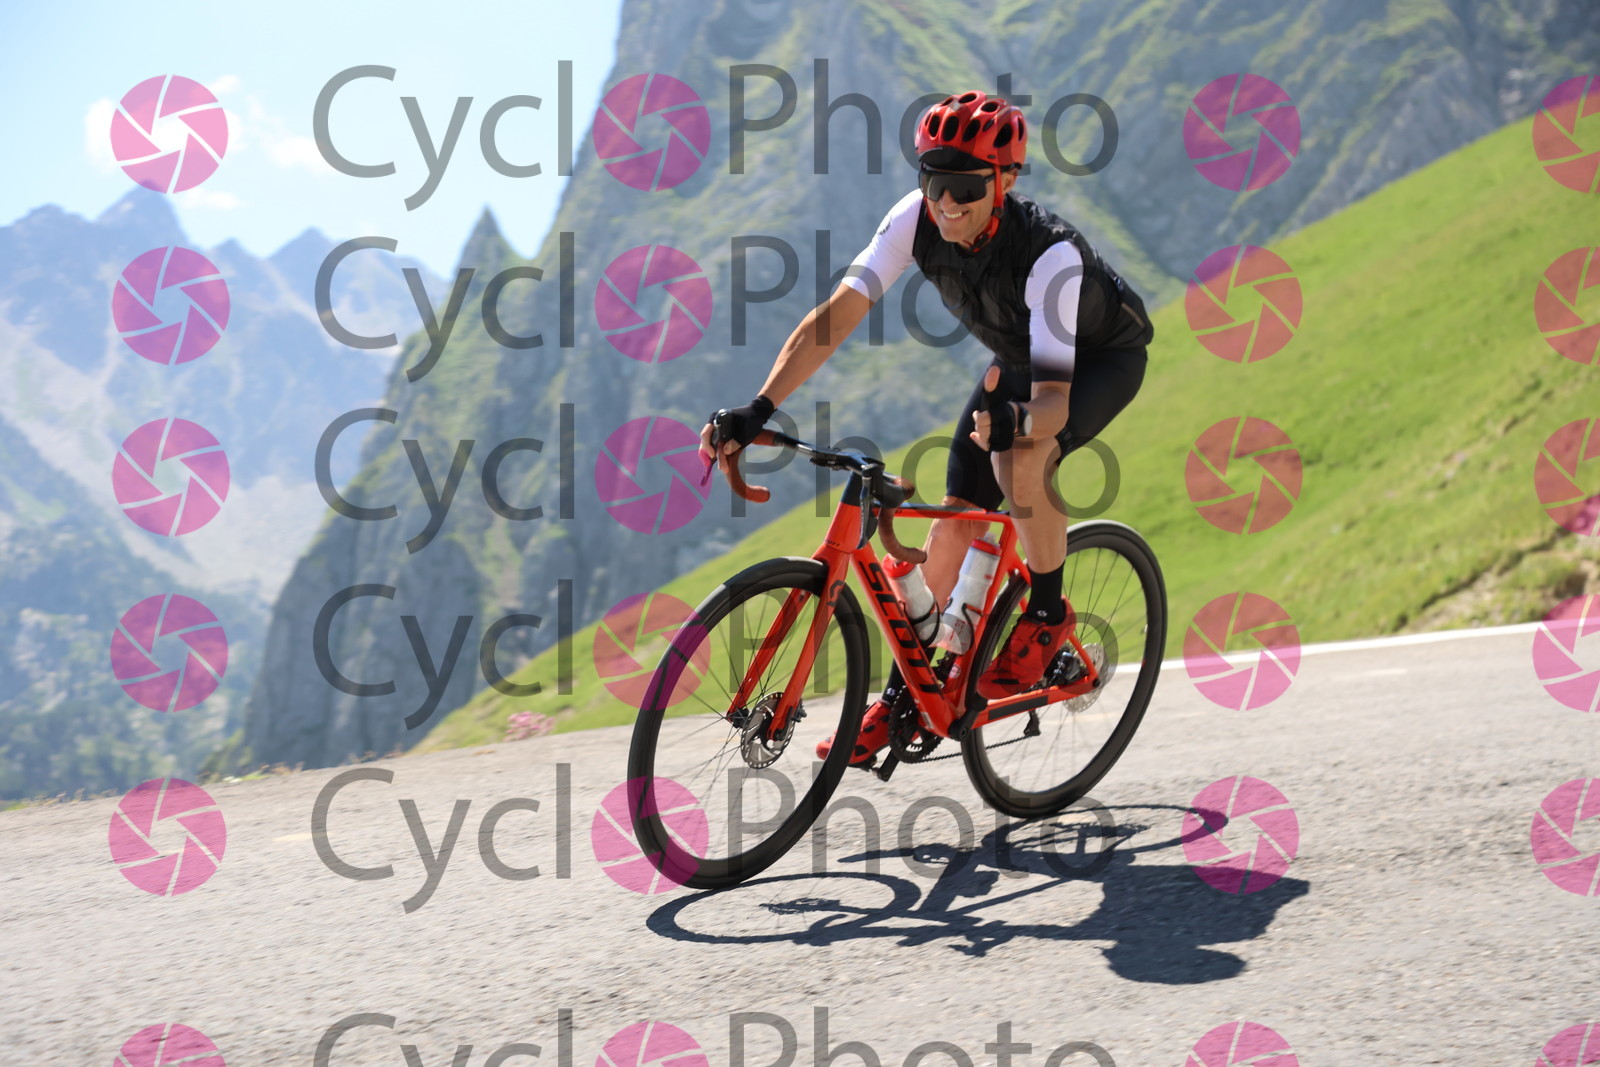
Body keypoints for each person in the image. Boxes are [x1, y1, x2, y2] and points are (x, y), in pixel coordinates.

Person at [699, 90, 1153, 767]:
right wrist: (758, 408)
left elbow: (1054, 404)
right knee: (955, 518)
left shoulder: (1050, 257)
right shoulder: (913, 220)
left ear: (1006, 182)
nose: (947, 203)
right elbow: (835, 318)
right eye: (935, 182)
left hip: (1097, 362)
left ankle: (1046, 617)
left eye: (966, 188)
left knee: (1018, 459)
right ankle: (905, 696)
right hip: (1021, 360)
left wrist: (1017, 420)